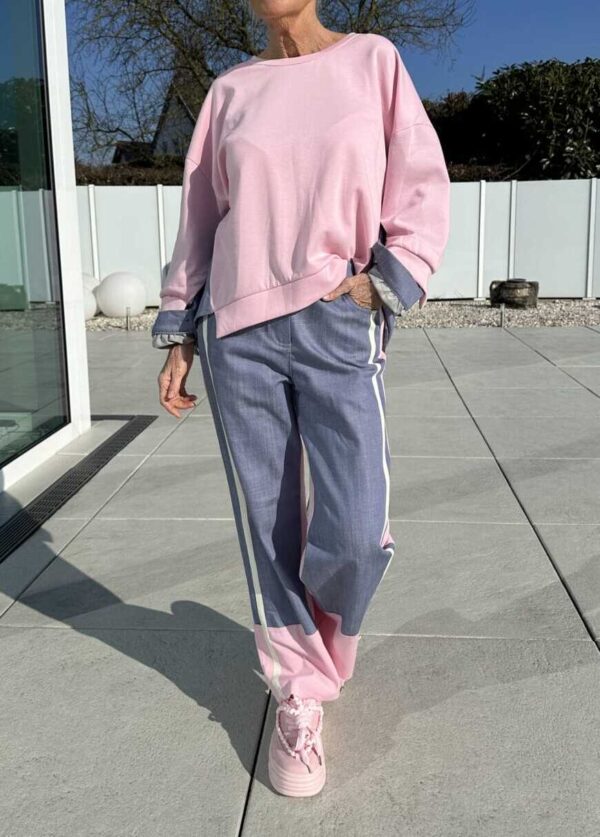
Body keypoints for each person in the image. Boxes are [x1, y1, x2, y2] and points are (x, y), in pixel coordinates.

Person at [151, 2, 450, 798]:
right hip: (236, 330)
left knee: (357, 530)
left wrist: (387, 280)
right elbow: (200, 221)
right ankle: (297, 689)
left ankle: (321, 649)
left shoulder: (372, 63)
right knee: (266, 525)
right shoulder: (231, 92)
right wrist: (180, 329)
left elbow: (421, 184)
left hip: (336, 316)